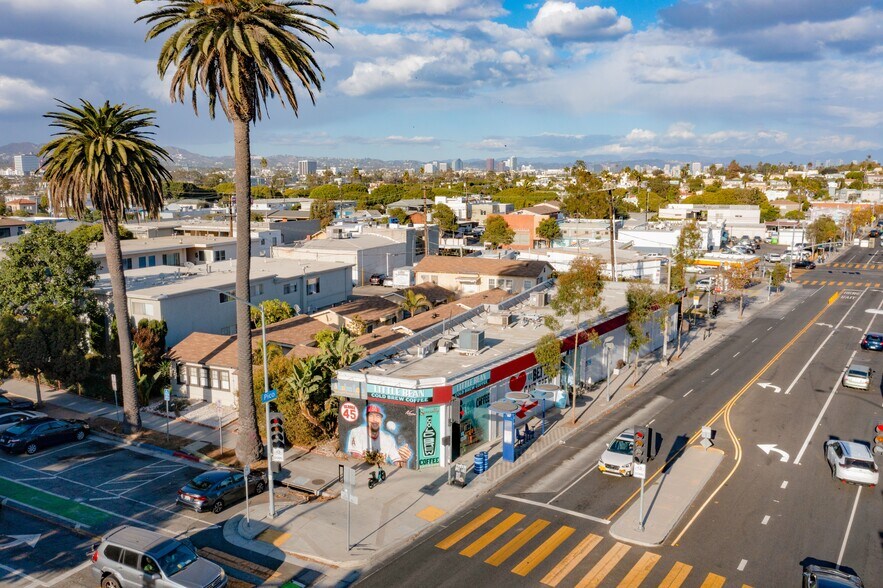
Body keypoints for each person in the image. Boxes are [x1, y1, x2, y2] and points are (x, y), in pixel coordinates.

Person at [347, 405, 413, 467]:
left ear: (381, 420)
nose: (374, 419)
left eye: (377, 416)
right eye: (371, 416)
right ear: (366, 419)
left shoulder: (388, 438)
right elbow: (356, 457)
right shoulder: (356, 432)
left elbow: (399, 465)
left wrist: (404, 459)